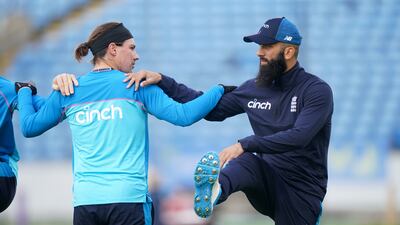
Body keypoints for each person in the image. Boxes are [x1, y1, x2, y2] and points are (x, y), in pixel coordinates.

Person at [124, 17, 333, 225]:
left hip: (302, 190)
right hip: (266, 179)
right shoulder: (254, 88)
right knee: (248, 161)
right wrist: (163, 81)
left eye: (267, 46)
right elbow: (208, 107)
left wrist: (244, 144)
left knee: (245, 152)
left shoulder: (316, 91)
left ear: (288, 52)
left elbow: (300, 137)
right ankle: (216, 189)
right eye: (260, 45)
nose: (259, 52)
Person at [16, 22, 226, 225]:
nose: (137, 55)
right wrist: (220, 89)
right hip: (129, 200)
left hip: (86, 202)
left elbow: (29, 126)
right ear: (113, 49)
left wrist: (25, 90)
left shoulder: (69, 89)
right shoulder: (136, 85)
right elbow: (184, 115)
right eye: (132, 48)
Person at [0, 75, 76, 213]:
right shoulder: (7, 87)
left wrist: (63, 84)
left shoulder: (6, 88)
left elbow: (53, 110)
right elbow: (52, 110)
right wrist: (25, 90)